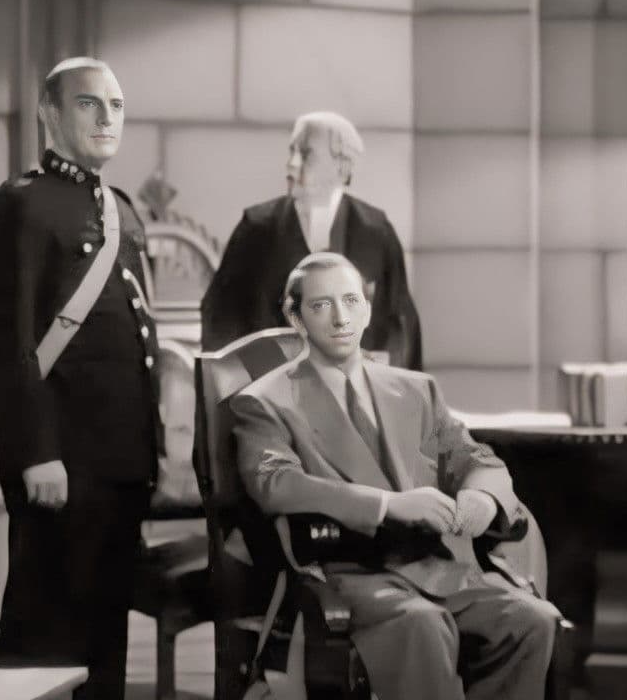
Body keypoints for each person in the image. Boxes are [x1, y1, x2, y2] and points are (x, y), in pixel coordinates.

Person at [230, 252, 558, 700]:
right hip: (348, 573)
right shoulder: (266, 401)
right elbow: (275, 483)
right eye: (322, 305)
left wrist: (482, 497)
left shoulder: (415, 391)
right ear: (296, 318)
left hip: (435, 568)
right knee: (422, 624)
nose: (341, 318)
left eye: (351, 301)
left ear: (367, 309)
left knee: (531, 620)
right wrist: (387, 505)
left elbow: (473, 458)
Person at [0, 57, 160, 699]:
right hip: (60, 459)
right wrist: (36, 452)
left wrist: (150, 450)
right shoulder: (15, 207)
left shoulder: (122, 209)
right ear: (49, 113)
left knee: (105, 637)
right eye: (88, 104)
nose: (107, 118)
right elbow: (4, 343)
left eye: (117, 105)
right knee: (44, 630)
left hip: (121, 459)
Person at [200, 112, 422, 370]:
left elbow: (401, 327)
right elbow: (220, 319)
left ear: (342, 167)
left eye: (306, 154)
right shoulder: (256, 229)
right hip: (271, 389)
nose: (291, 164)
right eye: (292, 152)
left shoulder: (375, 232)